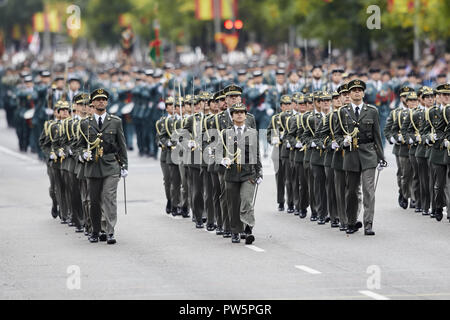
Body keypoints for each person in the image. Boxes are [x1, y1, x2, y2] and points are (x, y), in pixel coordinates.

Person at [335, 79, 385, 235]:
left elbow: (378, 135)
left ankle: (368, 224)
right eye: (354, 90)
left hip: (369, 153)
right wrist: (343, 141)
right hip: (351, 154)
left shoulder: (372, 111)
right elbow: (336, 134)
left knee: (369, 190)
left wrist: (381, 157)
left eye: (359, 90)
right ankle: (351, 221)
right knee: (351, 191)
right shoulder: (343, 112)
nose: (357, 92)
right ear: (349, 94)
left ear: (363, 93)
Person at [77, 88, 128, 244]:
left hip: (111, 164)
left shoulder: (116, 121)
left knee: (108, 197)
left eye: (104, 99)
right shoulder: (85, 123)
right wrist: (82, 154)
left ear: (107, 102)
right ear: (92, 103)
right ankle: (96, 230)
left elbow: (122, 144)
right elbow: (80, 145)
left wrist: (124, 165)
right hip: (93, 166)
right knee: (94, 201)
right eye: (98, 99)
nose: (101, 102)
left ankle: (109, 231)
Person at [220, 103, 262, 244]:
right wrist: (222, 159)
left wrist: (259, 171)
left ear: (245, 115)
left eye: (242, 112)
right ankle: (235, 231)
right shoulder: (225, 133)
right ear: (232, 116)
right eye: (236, 112)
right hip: (231, 173)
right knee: (233, 203)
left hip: (248, 173)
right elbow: (218, 151)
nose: (239, 114)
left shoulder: (252, 132)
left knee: (246, 201)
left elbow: (257, 154)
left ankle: (248, 229)